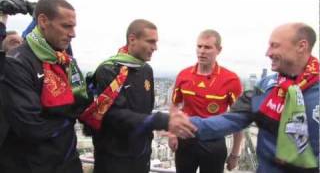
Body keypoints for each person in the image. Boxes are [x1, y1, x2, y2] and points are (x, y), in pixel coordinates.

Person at [190, 23, 319, 173]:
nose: (267, 53)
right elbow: (231, 120)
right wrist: (179, 123)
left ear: (301, 46)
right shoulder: (265, 87)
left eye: (274, 46)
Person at [80, 19, 197, 173]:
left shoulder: (146, 70)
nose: (155, 47)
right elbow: (113, 115)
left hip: (141, 155)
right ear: (132, 39)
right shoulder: (109, 70)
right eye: (150, 42)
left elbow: (146, 111)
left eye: (156, 42)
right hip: (114, 158)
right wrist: (161, 120)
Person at [0, 0, 92, 173]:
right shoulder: (17, 63)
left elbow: (82, 103)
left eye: (73, 26)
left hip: (68, 162)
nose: (73, 33)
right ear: (42, 21)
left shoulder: (65, 60)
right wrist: (69, 117)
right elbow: (31, 127)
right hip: (32, 165)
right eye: (66, 26)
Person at [169, 29, 243, 173]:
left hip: (214, 143)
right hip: (185, 140)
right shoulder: (184, 75)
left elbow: (237, 120)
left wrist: (235, 154)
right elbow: (174, 105)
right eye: (199, 46)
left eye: (207, 47)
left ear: (219, 50)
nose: (201, 51)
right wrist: (172, 134)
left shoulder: (231, 80)